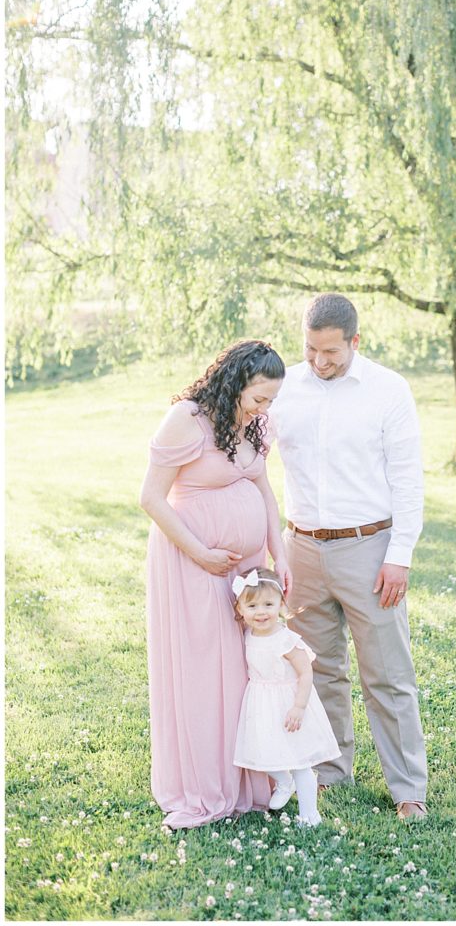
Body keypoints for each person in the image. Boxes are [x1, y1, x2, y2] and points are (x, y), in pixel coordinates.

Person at [269, 293, 428, 820]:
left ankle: (408, 789)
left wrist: (399, 555)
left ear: (355, 342)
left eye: (332, 352)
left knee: (386, 673)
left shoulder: (388, 390)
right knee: (316, 669)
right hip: (303, 548)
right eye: (311, 350)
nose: (320, 362)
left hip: (370, 547)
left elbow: (407, 479)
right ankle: (331, 769)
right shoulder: (286, 388)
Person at [140, 340, 292, 828]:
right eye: (258, 398)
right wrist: (200, 552)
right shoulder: (187, 419)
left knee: (244, 671)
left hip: (242, 568)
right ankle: (203, 787)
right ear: (234, 384)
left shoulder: (253, 424)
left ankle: (246, 780)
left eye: (270, 400)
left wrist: (279, 551)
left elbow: (263, 488)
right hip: (192, 563)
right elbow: (151, 498)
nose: (264, 409)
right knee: (204, 673)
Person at [232, 567, 340, 827]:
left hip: (289, 704)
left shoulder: (286, 640)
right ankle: (283, 781)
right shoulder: (247, 635)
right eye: (252, 605)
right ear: (240, 610)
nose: (261, 612)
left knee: (301, 762)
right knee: (261, 752)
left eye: (269, 604)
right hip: (260, 702)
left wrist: (299, 707)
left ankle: (309, 814)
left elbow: (305, 673)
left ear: (281, 604)